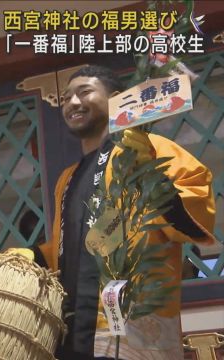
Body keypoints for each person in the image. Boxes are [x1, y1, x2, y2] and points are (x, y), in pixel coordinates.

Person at [34, 65, 215, 359]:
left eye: (84, 92)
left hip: (133, 327)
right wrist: (34, 254)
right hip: (73, 329)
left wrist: (152, 175)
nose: (72, 103)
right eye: (66, 98)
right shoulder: (67, 178)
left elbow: (192, 216)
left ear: (117, 98)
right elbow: (68, 248)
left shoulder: (154, 149)